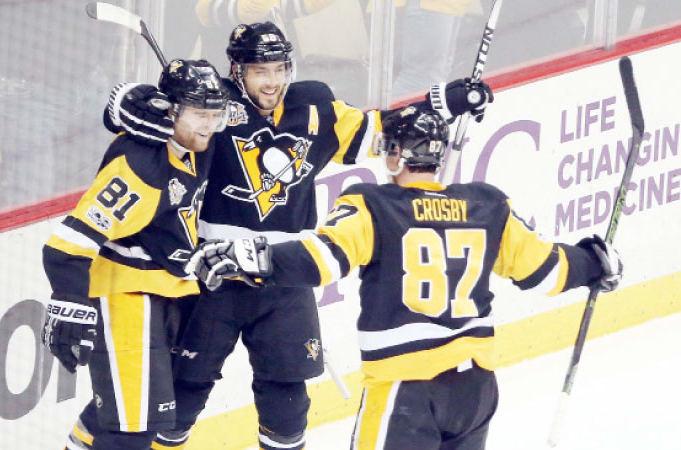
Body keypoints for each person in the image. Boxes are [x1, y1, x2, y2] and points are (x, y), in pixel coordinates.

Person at [104, 21, 493, 450]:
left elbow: (384, 135)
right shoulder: (214, 105)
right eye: (259, 71)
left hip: (284, 278)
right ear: (236, 71)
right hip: (214, 277)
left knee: (287, 408)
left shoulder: (316, 107)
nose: (272, 83)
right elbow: (145, 117)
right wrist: (125, 101)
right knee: (179, 399)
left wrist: (445, 103)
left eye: (278, 69)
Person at [186, 106, 623, 450]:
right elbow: (546, 272)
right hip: (476, 391)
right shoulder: (487, 205)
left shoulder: (374, 205)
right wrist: (594, 262)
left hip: (406, 393)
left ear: (396, 154)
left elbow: (324, 259)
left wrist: (252, 255)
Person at [41, 59, 230, 450]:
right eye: (198, 114)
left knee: (122, 409)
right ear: (169, 110)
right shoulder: (140, 166)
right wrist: (69, 301)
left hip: (167, 292)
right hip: (127, 298)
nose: (208, 125)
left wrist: (127, 100)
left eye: (214, 114)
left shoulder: (197, 144)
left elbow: (254, 94)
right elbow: (68, 242)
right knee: (132, 429)